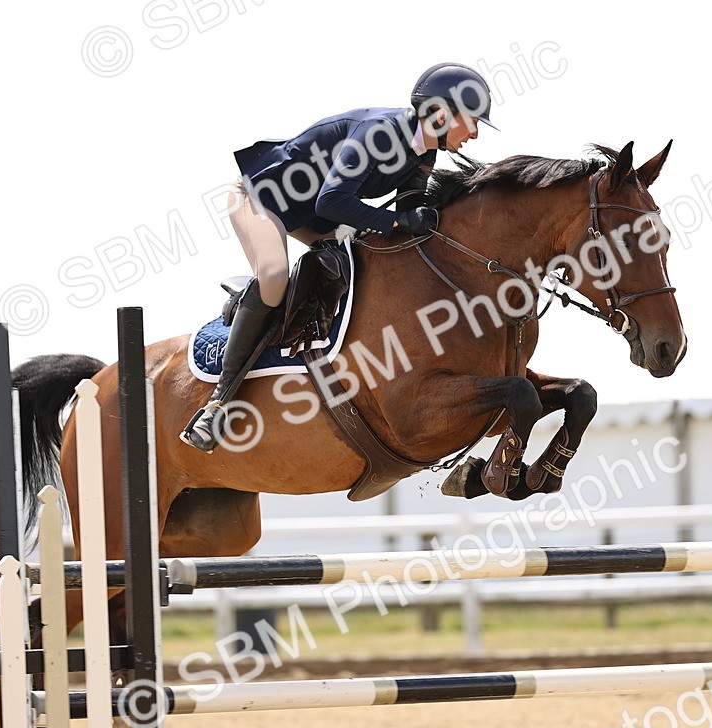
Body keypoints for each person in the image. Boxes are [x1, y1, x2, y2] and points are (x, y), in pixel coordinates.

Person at [182, 62, 497, 452]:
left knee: (361, 264)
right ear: (440, 113)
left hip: (312, 212)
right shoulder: (380, 134)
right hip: (262, 197)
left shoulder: (423, 156)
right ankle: (217, 402)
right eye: (472, 121)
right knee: (275, 275)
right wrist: (398, 221)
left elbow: (407, 213)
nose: (476, 133)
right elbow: (333, 199)